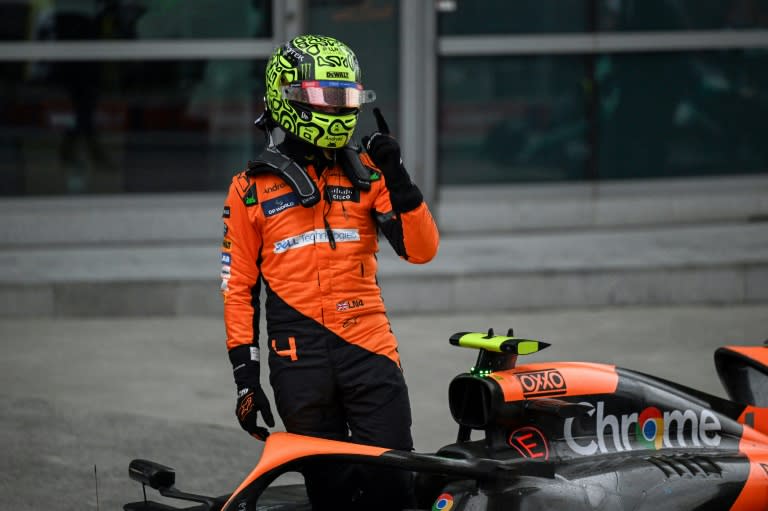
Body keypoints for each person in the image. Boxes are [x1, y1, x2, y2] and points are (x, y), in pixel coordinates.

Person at [220, 34, 439, 510]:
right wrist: (245, 377)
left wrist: (398, 175)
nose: (338, 108)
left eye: (346, 98)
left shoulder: (369, 174)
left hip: (369, 347)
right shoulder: (248, 190)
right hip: (298, 358)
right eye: (326, 97)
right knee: (330, 494)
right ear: (288, 97)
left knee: (393, 485)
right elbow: (238, 288)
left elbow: (422, 251)